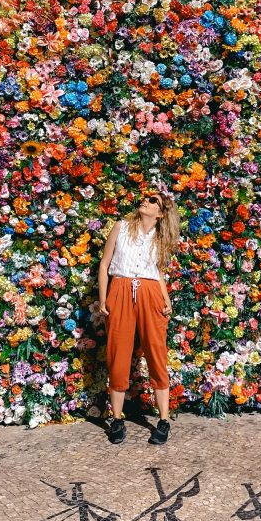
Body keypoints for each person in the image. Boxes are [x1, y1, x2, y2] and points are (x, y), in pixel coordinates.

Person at [98, 190, 181, 446]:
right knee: (118, 354)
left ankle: (164, 420)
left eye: (153, 200)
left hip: (150, 293)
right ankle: (117, 419)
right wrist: (104, 299)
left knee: (156, 353)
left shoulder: (159, 237)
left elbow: (157, 272)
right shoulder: (121, 227)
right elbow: (104, 264)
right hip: (120, 290)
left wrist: (166, 300)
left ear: (161, 212)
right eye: (145, 197)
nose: (145, 200)